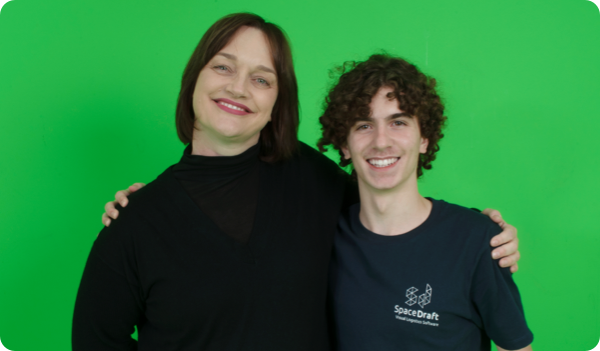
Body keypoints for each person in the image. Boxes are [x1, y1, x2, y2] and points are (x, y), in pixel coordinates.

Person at [83, 12, 520, 350]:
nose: (238, 88)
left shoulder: (309, 176)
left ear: (277, 101)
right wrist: (136, 210)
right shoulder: (135, 224)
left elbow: (392, 207)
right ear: (193, 77)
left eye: (261, 79)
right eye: (222, 67)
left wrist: (479, 237)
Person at [318, 54, 533, 350]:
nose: (381, 141)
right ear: (344, 145)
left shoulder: (476, 239)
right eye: (363, 125)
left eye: (398, 122)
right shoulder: (325, 238)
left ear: (424, 139)